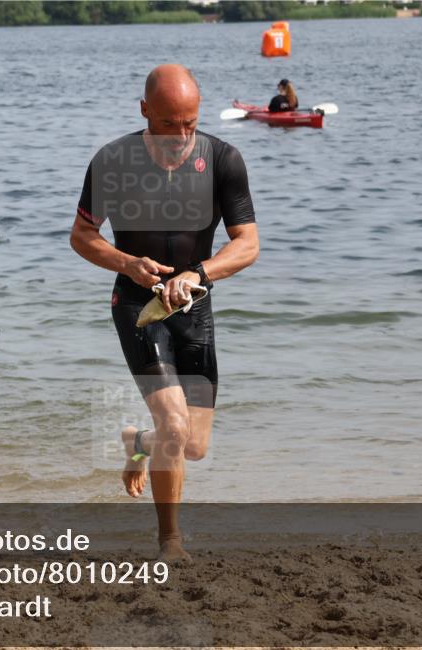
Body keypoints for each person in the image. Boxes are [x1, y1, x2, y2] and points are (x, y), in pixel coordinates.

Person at [70, 64, 259, 561]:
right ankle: (169, 540)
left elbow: (248, 244)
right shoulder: (113, 161)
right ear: (144, 111)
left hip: (194, 304)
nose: (181, 137)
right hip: (138, 305)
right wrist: (127, 263)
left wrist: (199, 274)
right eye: (170, 124)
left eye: (190, 124)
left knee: (191, 444)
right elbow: (82, 237)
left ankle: (139, 441)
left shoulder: (223, 160)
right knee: (177, 425)